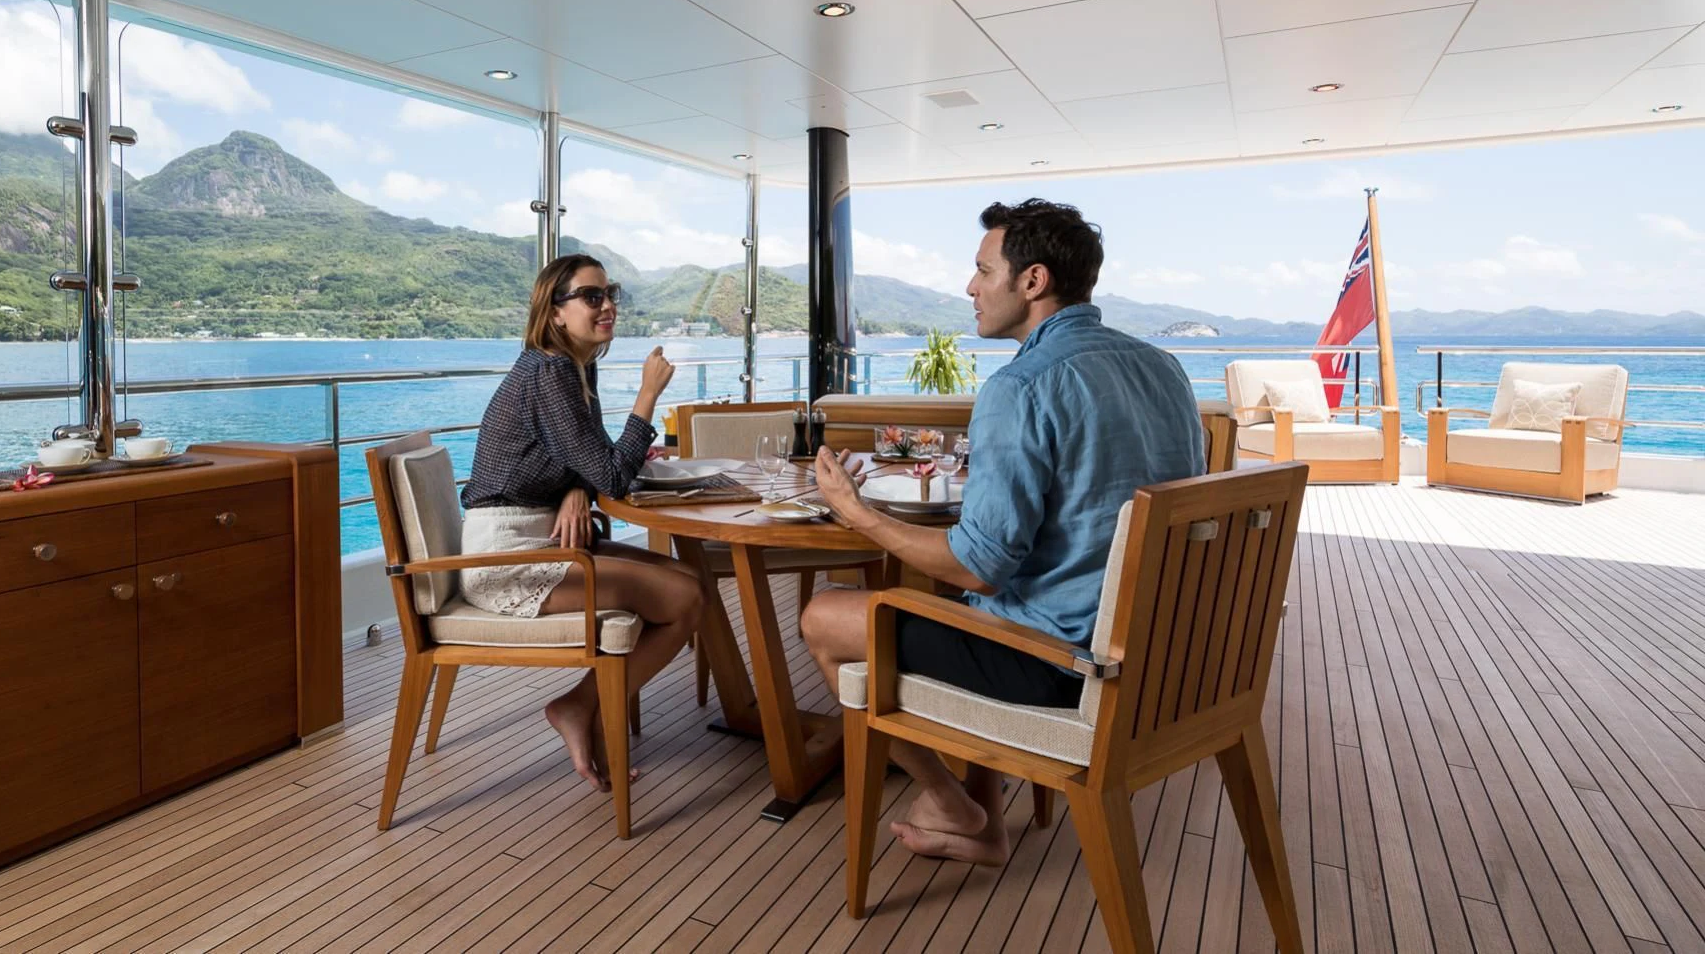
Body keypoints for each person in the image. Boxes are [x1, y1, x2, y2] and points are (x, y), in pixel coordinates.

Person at [803, 198, 1204, 865]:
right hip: (1157, 653)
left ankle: (954, 805)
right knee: (977, 605)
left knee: (826, 617)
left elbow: (977, 565)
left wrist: (857, 512)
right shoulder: (1164, 369)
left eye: (983, 269)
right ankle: (974, 807)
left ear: (1033, 281)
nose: (970, 286)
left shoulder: (1022, 386)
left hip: (1065, 667)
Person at [460, 253, 705, 792]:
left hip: (545, 534)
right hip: (505, 558)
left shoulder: (574, 368)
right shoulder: (549, 372)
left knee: (691, 582)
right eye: (592, 296)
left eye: (609, 292)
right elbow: (614, 475)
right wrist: (647, 395)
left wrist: (576, 486)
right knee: (685, 601)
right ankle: (578, 706)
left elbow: (587, 462)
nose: (608, 305)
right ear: (555, 312)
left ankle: (580, 705)